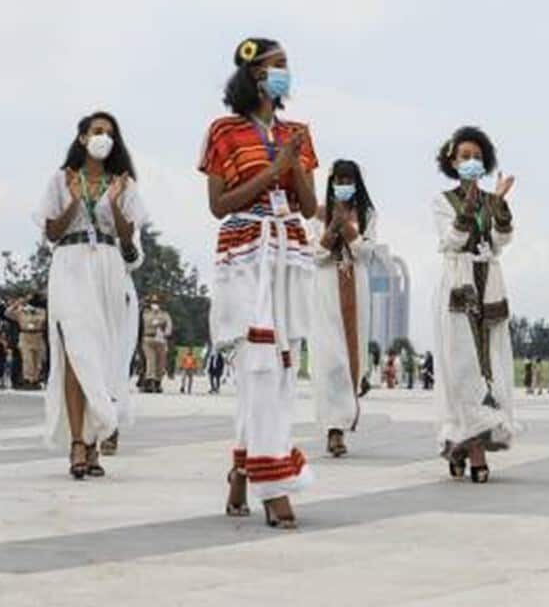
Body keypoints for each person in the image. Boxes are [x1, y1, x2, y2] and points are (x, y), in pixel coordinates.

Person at [200, 37, 318, 529]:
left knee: (278, 366)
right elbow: (219, 204)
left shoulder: (297, 132)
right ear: (253, 75)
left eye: (286, 65)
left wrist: (292, 166)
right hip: (244, 253)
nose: (284, 73)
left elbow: (309, 207)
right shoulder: (223, 131)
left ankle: (242, 469)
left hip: (287, 250)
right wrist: (272, 169)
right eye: (277, 66)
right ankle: (273, 484)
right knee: (258, 362)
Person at [33, 111, 145, 480]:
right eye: (97, 131)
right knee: (75, 350)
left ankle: (94, 441)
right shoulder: (60, 179)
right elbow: (51, 231)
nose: (104, 138)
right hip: (70, 265)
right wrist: (74, 202)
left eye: (110, 133)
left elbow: (130, 244)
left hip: (109, 270)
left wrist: (112, 203)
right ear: (82, 138)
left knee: (102, 356)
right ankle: (77, 443)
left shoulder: (124, 184)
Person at [431, 126, 519, 484]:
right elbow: (451, 240)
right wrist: (466, 210)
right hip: (459, 284)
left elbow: (501, 241)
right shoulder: (442, 201)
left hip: (489, 284)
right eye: (464, 156)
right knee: (462, 367)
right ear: (452, 161)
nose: (471, 162)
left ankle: (464, 443)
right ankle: (471, 445)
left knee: (490, 365)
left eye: (477, 157)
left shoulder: (490, 200)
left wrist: (498, 205)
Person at [309, 159, 378, 458]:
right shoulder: (317, 214)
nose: (344, 184)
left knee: (351, 357)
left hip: (356, 286)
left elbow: (367, 251)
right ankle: (331, 429)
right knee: (328, 358)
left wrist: (348, 227)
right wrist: (331, 226)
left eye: (349, 179)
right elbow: (315, 254)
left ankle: (342, 427)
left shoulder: (367, 214)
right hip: (325, 288)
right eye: (339, 179)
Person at [6, 295, 47, 389]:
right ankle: (28, 379)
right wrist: (17, 304)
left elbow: (42, 319)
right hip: (25, 336)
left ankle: (35, 380)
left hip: (37, 336)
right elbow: (7, 313)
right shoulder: (21, 312)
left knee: (37, 360)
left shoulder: (41, 311)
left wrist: (33, 313)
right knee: (27, 359)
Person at [141, 297, 172, 393]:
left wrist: (167, 332)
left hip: (161, 339)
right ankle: (150, 382)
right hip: (148, 338)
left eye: (157, 302)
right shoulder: (146, 313)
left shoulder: (165, 314)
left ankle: (158, 382)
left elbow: (169, 325)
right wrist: (157, 319)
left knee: (161, 363)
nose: (155, 304)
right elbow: (148, 322)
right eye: (153, 302)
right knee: (151, 361)